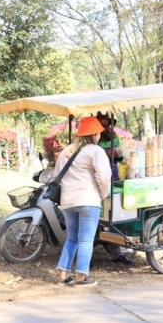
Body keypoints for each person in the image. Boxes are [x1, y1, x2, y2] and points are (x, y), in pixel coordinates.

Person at [51, 116, 112, 288]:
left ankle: (64, 274)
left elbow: (57, 176)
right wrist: (103, 194)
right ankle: (81, 277)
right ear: (94, 135)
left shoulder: (66, 152)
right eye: (99, 133)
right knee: (86, 239)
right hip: (88, 200)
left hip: (68, 202)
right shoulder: (95, 151)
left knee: (72, 239)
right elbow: (104, 176)